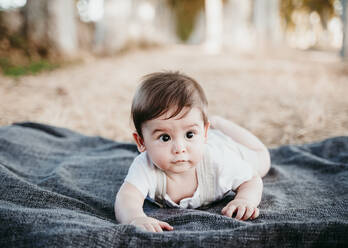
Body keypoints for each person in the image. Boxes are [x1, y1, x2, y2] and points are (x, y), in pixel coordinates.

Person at [114, 71, 271, 232]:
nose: (179, 148)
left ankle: (219, 123)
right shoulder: (144, 166)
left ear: (204, 133)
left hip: (228, 147)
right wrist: (135, 217)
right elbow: (127, 198)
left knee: (262, 160)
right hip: (205, 139)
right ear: (141, 142)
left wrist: (245, 199)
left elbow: (252, 179)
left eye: (189, 134)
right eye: (165, 138)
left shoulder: (219, 160)